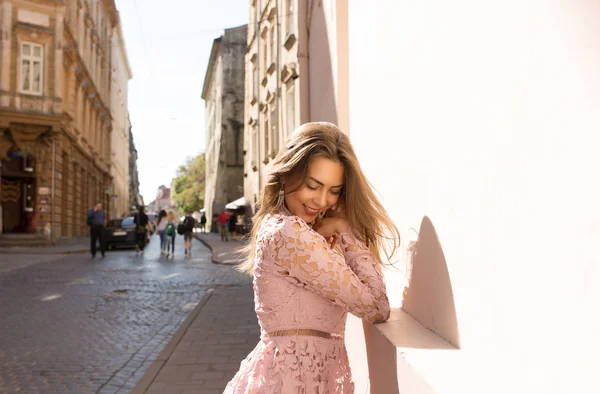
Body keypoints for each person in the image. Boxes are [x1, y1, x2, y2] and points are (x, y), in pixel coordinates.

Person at [223, 122, 400, 393]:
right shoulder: (290, 233)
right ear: (286, 175)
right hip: (292, 383)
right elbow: (376, 307)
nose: (321, 200)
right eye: (312, 185)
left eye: (334, 190)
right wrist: (344, 228)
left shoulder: (287, 226)